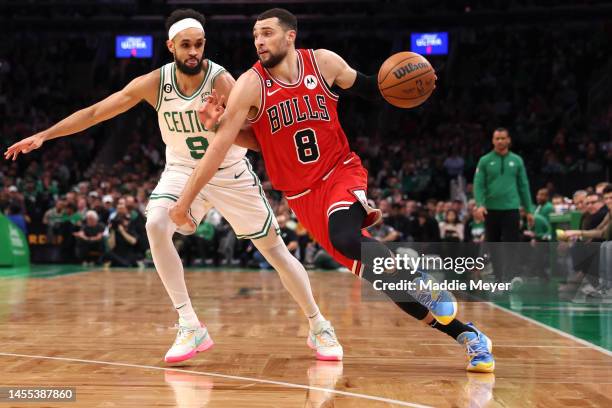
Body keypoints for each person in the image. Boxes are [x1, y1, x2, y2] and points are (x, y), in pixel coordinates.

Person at [4, 9, 342, 363]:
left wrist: (225, 126)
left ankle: (319, 325)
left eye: (198, 45)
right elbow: (95, 113)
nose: (193, 51)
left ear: (204, 45)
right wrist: (44, 135)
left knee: (276, 252)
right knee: (155, 223)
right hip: (181, 170)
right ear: (171, 46)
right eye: (185, 45)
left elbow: (262, 139)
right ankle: (189, 323)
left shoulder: (223, 82)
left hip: (229, 173)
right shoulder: (154, 83)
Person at [169, 8, 494, 372]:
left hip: (339, 172)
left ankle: (419, 278)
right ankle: (470, 336)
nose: (259, 41)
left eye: (267, 33)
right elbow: (250, 145)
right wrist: (216, 131)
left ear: (290, 36)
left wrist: (416, 78)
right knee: (388, 285)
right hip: (302, 196)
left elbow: (375, 88)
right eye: (255, 35)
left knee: (345, 236)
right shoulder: (250, 84)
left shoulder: (323, 63)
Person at [474, 127, 534, 286]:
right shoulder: (485, 160)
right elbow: (478, 185)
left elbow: (524, 185)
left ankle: (510, 277)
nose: (500, 141)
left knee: (511, 243)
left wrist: (529, 210)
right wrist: (480, 205)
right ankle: (499, 278)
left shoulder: (517, 160)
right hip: (491, 209)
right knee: (493, 245)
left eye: (503, 138)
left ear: (509, 140)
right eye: (497, 138)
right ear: (493, 141)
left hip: (511, 208)